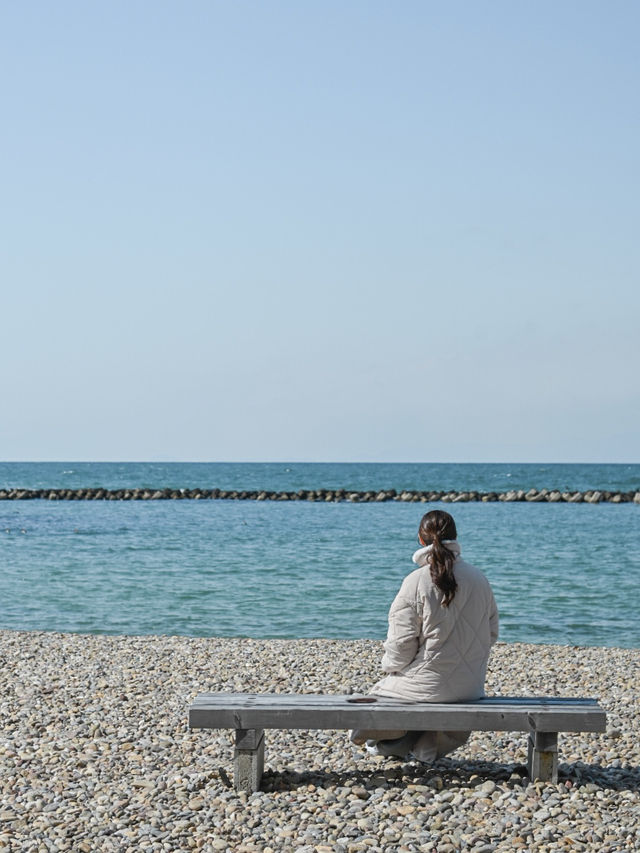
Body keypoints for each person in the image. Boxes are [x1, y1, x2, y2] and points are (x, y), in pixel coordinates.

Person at [350, 509, 499, 763]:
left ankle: (390, 747)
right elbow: (491, 634)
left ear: (421, 539)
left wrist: (390, 669)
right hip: (470, 688)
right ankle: (425, 749)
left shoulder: (415, 581)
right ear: (455, 537)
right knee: (424, 694)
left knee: (376, 701)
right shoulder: (479, 579)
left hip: (427, 686)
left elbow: (400, 647)